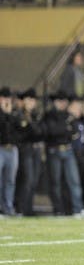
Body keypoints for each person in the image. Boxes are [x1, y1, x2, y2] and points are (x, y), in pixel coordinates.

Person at [43, 91, 84, 217]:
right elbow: (51, 131)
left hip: (68, 149)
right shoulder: (49, 115)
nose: (62, 103)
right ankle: (58, 210)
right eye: (60, 101)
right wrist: (65, 130)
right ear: (55, 102)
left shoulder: (69, 116)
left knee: (74, 180)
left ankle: (78, 209)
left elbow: (74, 132)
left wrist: (63, 130)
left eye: (64, 101)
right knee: (56, 182)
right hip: (54, 150)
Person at [14, 88, 43, 216]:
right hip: (25, 149)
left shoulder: (36, 115)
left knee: (34, 179)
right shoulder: (19, 115)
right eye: (29, 100)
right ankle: (21, 207)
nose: (31, 102)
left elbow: (40, 132)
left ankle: (29, 208)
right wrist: (30, 122)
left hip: (35, 149)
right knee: (27, 179)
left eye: (33, 100)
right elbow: (24, 133)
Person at [0, 87, 19, 216]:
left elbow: (17, 130)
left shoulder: (14, 113)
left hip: (12, 149)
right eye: (4, 97)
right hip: (0, 148)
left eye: (8, 98)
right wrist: (5, 114)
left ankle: (9, 207)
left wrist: (9, 114)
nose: (7, 100)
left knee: (10, 180)